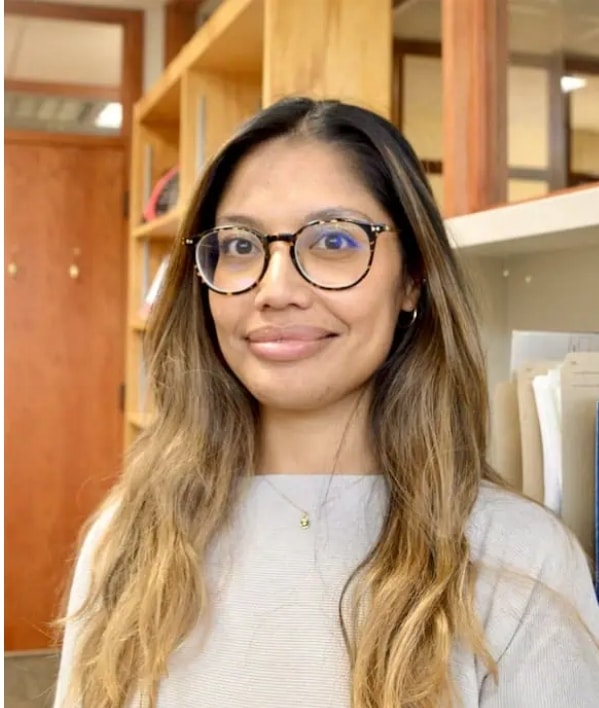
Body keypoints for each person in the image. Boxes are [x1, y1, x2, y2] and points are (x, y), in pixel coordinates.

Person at [54, 97, 599, 708]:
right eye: (238, 246)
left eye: (334, 239)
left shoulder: (522, 564)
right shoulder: (128, 538)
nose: (275, 289)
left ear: (413, 276)